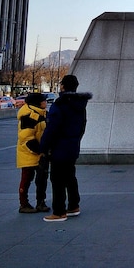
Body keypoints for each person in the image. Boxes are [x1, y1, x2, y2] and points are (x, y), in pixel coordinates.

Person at [40, 75, 91, 222]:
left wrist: (44, 146)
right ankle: (74, 206)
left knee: (57, 179)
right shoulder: (80, 105)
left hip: (59, 147)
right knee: (70, 176)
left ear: (62, 86)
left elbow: (52, 128)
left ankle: (59, 211)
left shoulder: (61, 104)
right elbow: (82, 125)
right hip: (72, 145)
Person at [16, 92, 50, 213]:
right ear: (37, 103)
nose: (46, 102)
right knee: (26, 179)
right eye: (43, 100)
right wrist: (40, 150)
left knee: (42, 179)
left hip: (40, 153)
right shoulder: (28, 116)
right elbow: (26, 138)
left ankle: (41, 202)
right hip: (28, 153)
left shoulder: (43, 113)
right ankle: (23, 204)